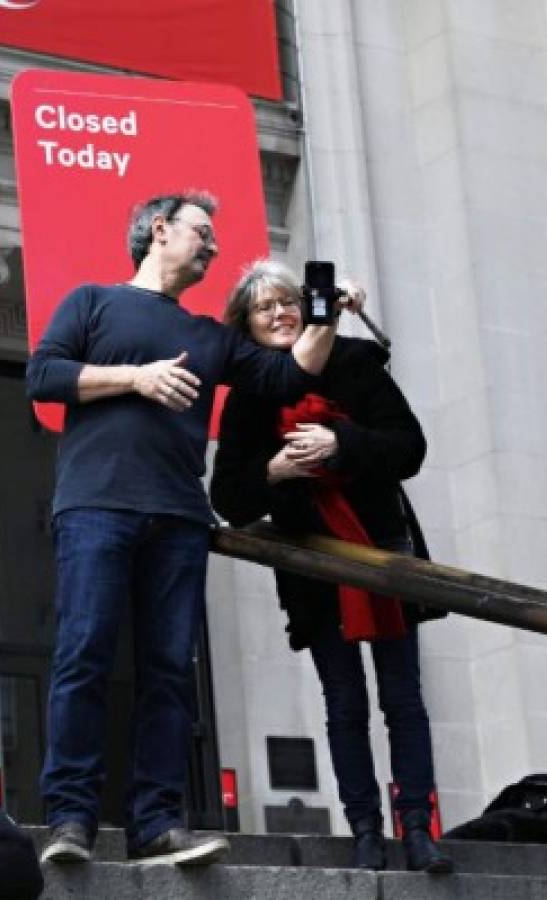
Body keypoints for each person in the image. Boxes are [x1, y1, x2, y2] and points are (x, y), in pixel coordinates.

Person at [25, 194, 358, 866]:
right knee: (83, 655)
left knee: (170, 671)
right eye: (201, 233)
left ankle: (155, 824)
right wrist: (136, 378)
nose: (211, 247)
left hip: (178, 517)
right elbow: (43, 375)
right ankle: (69, 820)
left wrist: (325, 300)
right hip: (95, 506)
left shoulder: (209, 336)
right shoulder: (92, 302)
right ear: (159, 231)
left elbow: (293, 370)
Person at [209, 259, 452, 874]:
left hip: (379, 549)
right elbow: (228, 499)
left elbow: (409, 447)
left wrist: (342, 443)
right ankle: (366, 830)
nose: (279, 313)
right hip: (313, 564)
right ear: (247, 326)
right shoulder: (247, 397)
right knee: (344, 702)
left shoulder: (352, 362)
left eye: (287, 301)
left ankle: (419, 827)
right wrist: (275, 471)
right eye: (264, 308)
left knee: (404, 699)